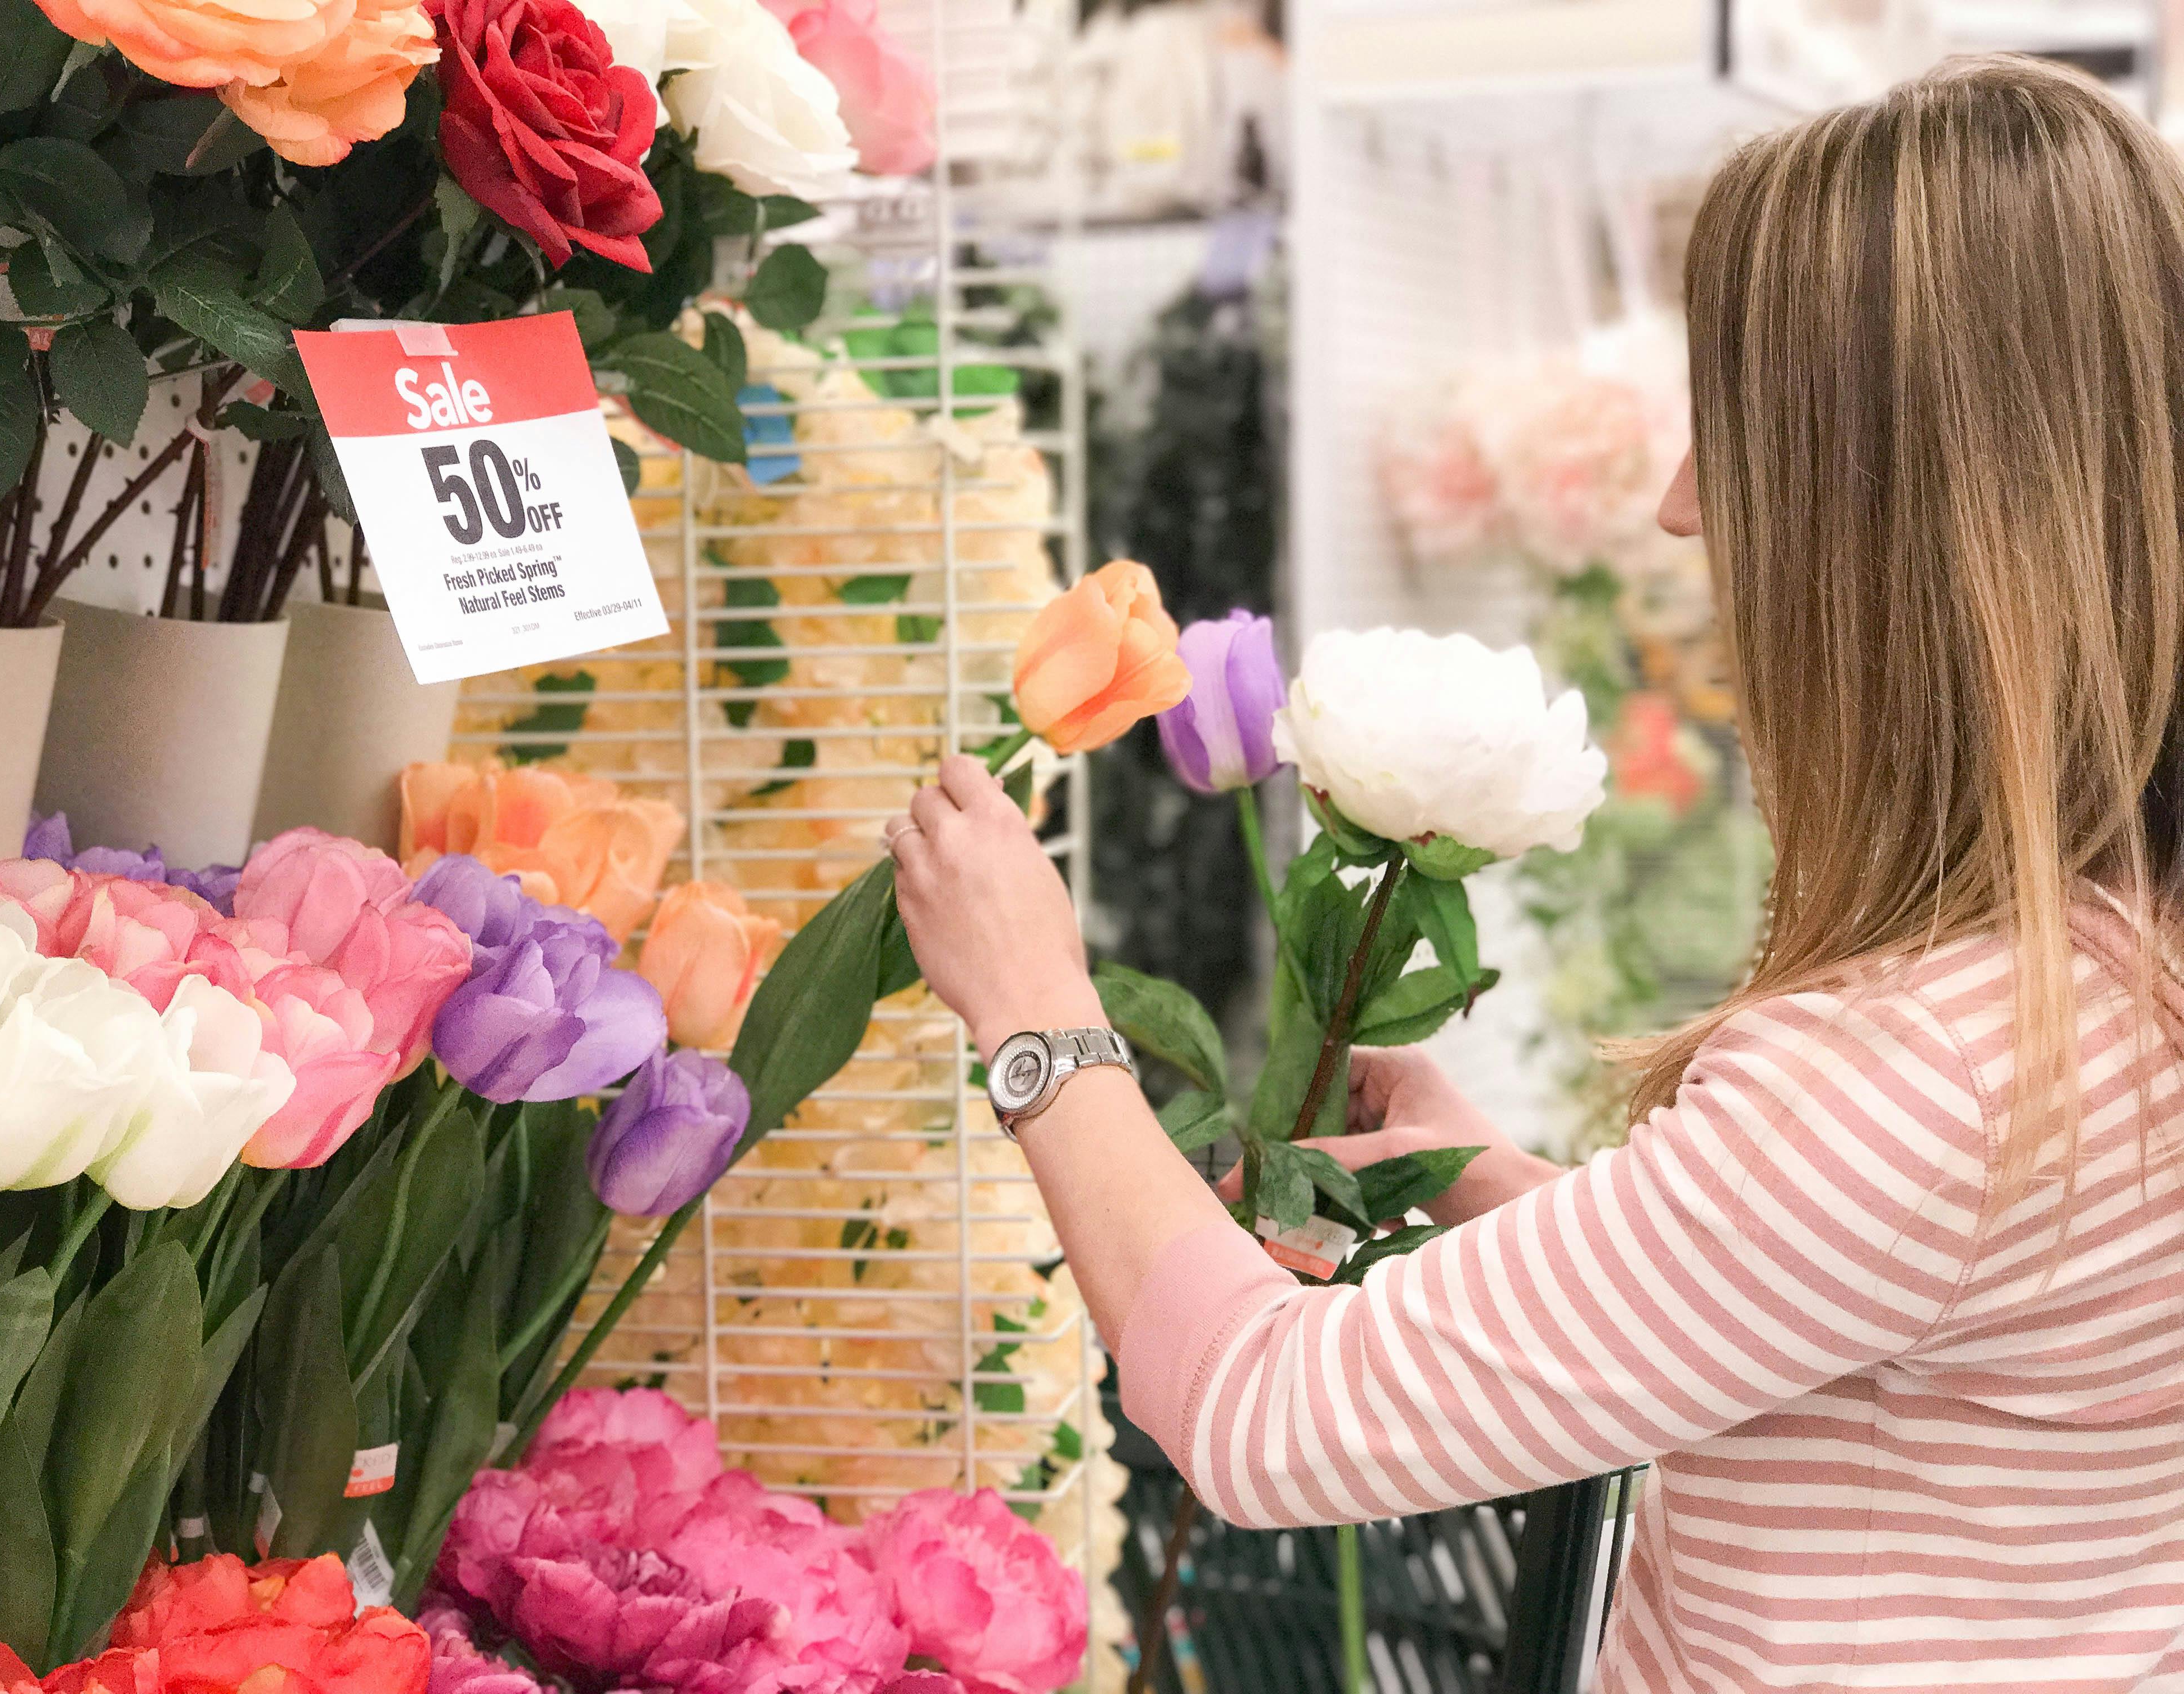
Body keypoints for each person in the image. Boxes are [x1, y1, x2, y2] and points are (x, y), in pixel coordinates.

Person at [884, 53, 2184, 1694]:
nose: (1681, 507)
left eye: (1736, 434)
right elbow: (1906, 1315)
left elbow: (1264, 1413)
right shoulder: (2106, 979)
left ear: (1885, 518)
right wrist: (1537, 1206)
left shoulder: (1925, 1075)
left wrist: (1033, 1006)